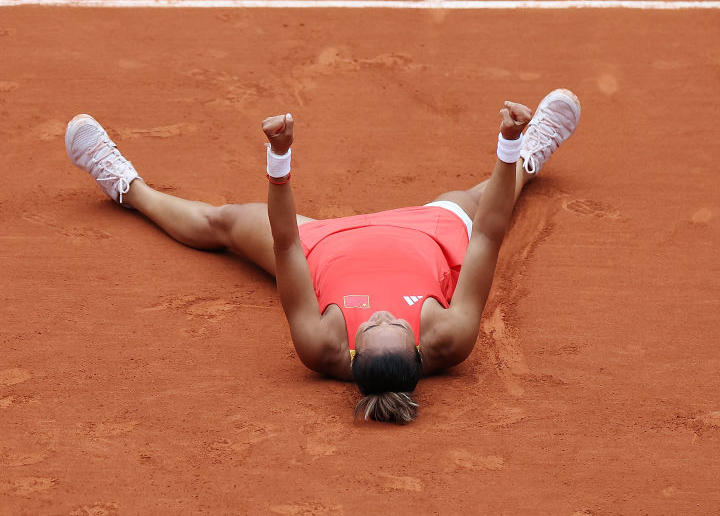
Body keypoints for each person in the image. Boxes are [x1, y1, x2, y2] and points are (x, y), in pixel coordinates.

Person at [65, 89, 581, 424]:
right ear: (418, 350)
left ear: (353, 355)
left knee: (224, 223)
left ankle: (126, 186)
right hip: (426, 233)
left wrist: (280, 160)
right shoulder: (449, 337)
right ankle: (529, 151)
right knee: (482, 198)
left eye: (371, 326)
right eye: (396, 325)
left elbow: (286, 243)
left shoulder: (322, 345)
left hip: (321, 245)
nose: (383, 316)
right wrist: (506, 145)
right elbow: (487, 235)